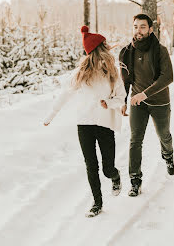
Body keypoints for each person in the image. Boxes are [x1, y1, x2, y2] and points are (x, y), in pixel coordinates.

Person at [44, 25, 126, 217]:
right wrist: (51, 115)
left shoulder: (113, 72)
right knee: (91, 165)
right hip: (85, 124)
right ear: (98, 50)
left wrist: (109, 102)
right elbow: (65, 94)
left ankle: (115, 176)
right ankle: (97, 203)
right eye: (104, 46)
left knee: (107, 168)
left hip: (105, 124)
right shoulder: (81, 73)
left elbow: (121, 97)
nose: (107, 48)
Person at [119, 13, 174, 197]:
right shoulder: (126, 52)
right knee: (135, 140)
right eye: (135, 26)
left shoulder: (160, 51)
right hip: (138, 102)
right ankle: (135, 180)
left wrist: (145, 93)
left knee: (164, 135)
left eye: (142, 27)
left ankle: (168, 155)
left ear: (150, 29)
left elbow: (167, 77)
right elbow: (125, 80)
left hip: (159, 101)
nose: (138, 30)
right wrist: (124, 100)